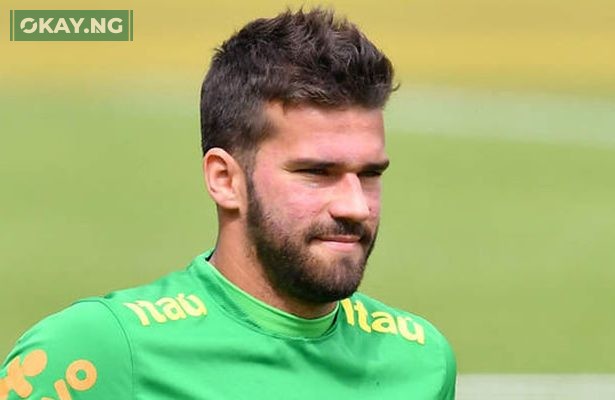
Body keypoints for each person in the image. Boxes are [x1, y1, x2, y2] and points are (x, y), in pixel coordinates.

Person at [0, 8, 456, 399]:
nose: (355, 207)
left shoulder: (420, 361)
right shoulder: (98, 352)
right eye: (317, 173)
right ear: (225, 180)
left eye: (370, 174)